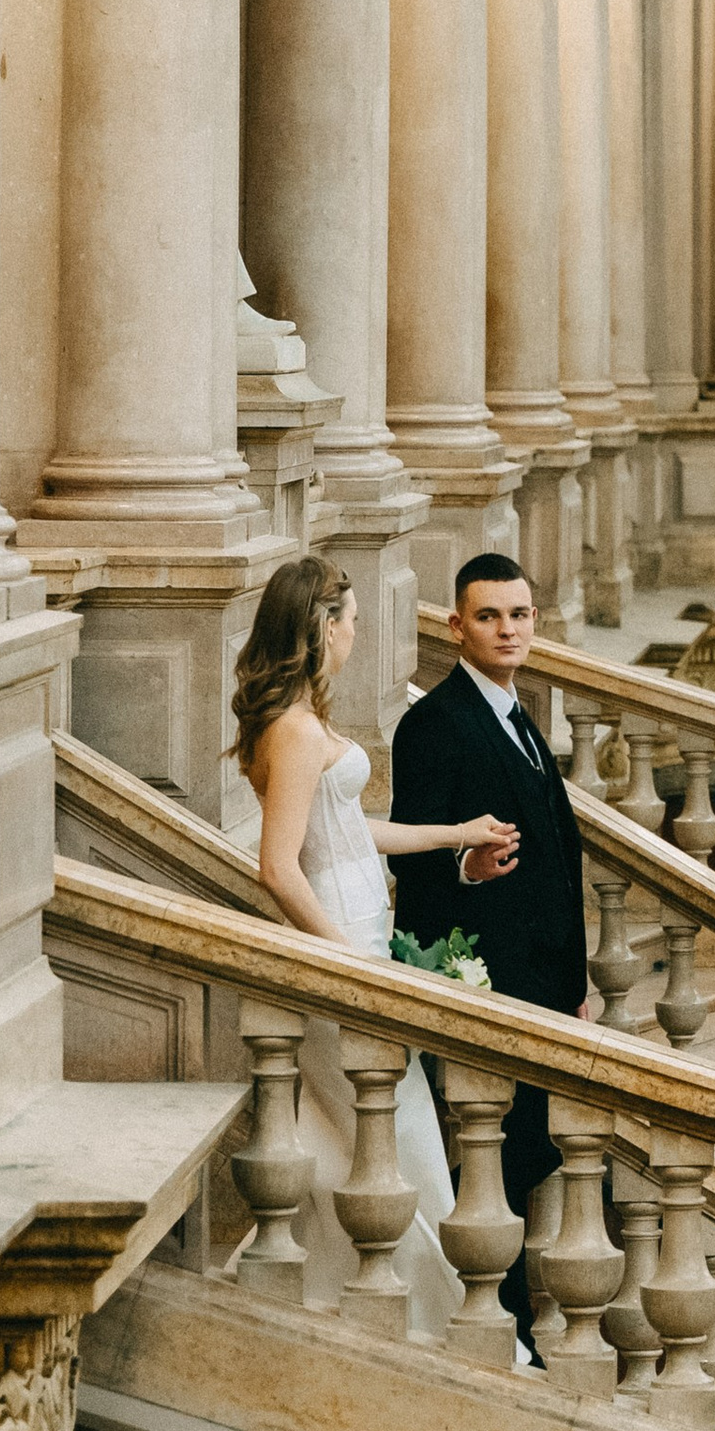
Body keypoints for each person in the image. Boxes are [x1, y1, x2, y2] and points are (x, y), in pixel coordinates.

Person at [234, 554, 518, 1337]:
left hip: (363, 941)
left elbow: (352, 835)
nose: (358, 631)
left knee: (375, 1142)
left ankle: (386, 1307)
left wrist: (455, 833)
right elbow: (278, 867)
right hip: (342, 952)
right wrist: (345, 960)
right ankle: (436, 1319)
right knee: (399, 1142)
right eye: (350, 619)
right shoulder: (292, 731)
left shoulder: (301, 720)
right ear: (322, 627)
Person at [390, 553, 590, 1347]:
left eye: (520, 616)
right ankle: (490, 1317)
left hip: (547, 979)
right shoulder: (434, 723)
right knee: (507, 1144)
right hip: (492, 974)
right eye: (490, 617)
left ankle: (495, 1313)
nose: (508, 630)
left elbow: (559, 859)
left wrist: (575, 982)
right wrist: (464, 868)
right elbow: (411, 852)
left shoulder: (518, 710)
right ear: (456, 626)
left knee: (527, 1146)